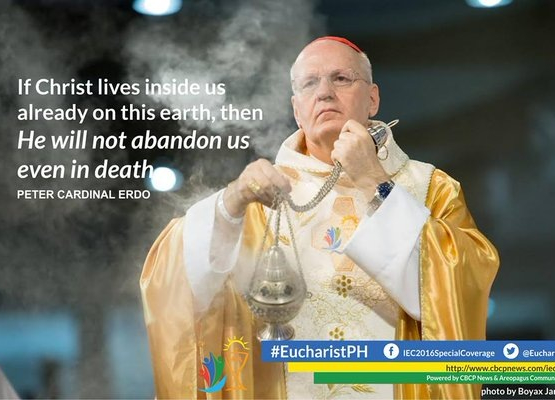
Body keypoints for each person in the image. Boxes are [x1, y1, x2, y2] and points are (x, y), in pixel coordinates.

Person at [140, 36, 500, 399]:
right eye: (309, 83)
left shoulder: (430, 187)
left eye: (341, 78)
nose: (324, 92)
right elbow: (176, 283)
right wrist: (230, 202)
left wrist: (373, 180)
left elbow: (458, 286)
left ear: (372, 98)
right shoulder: (258, 197)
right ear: (297, 109)